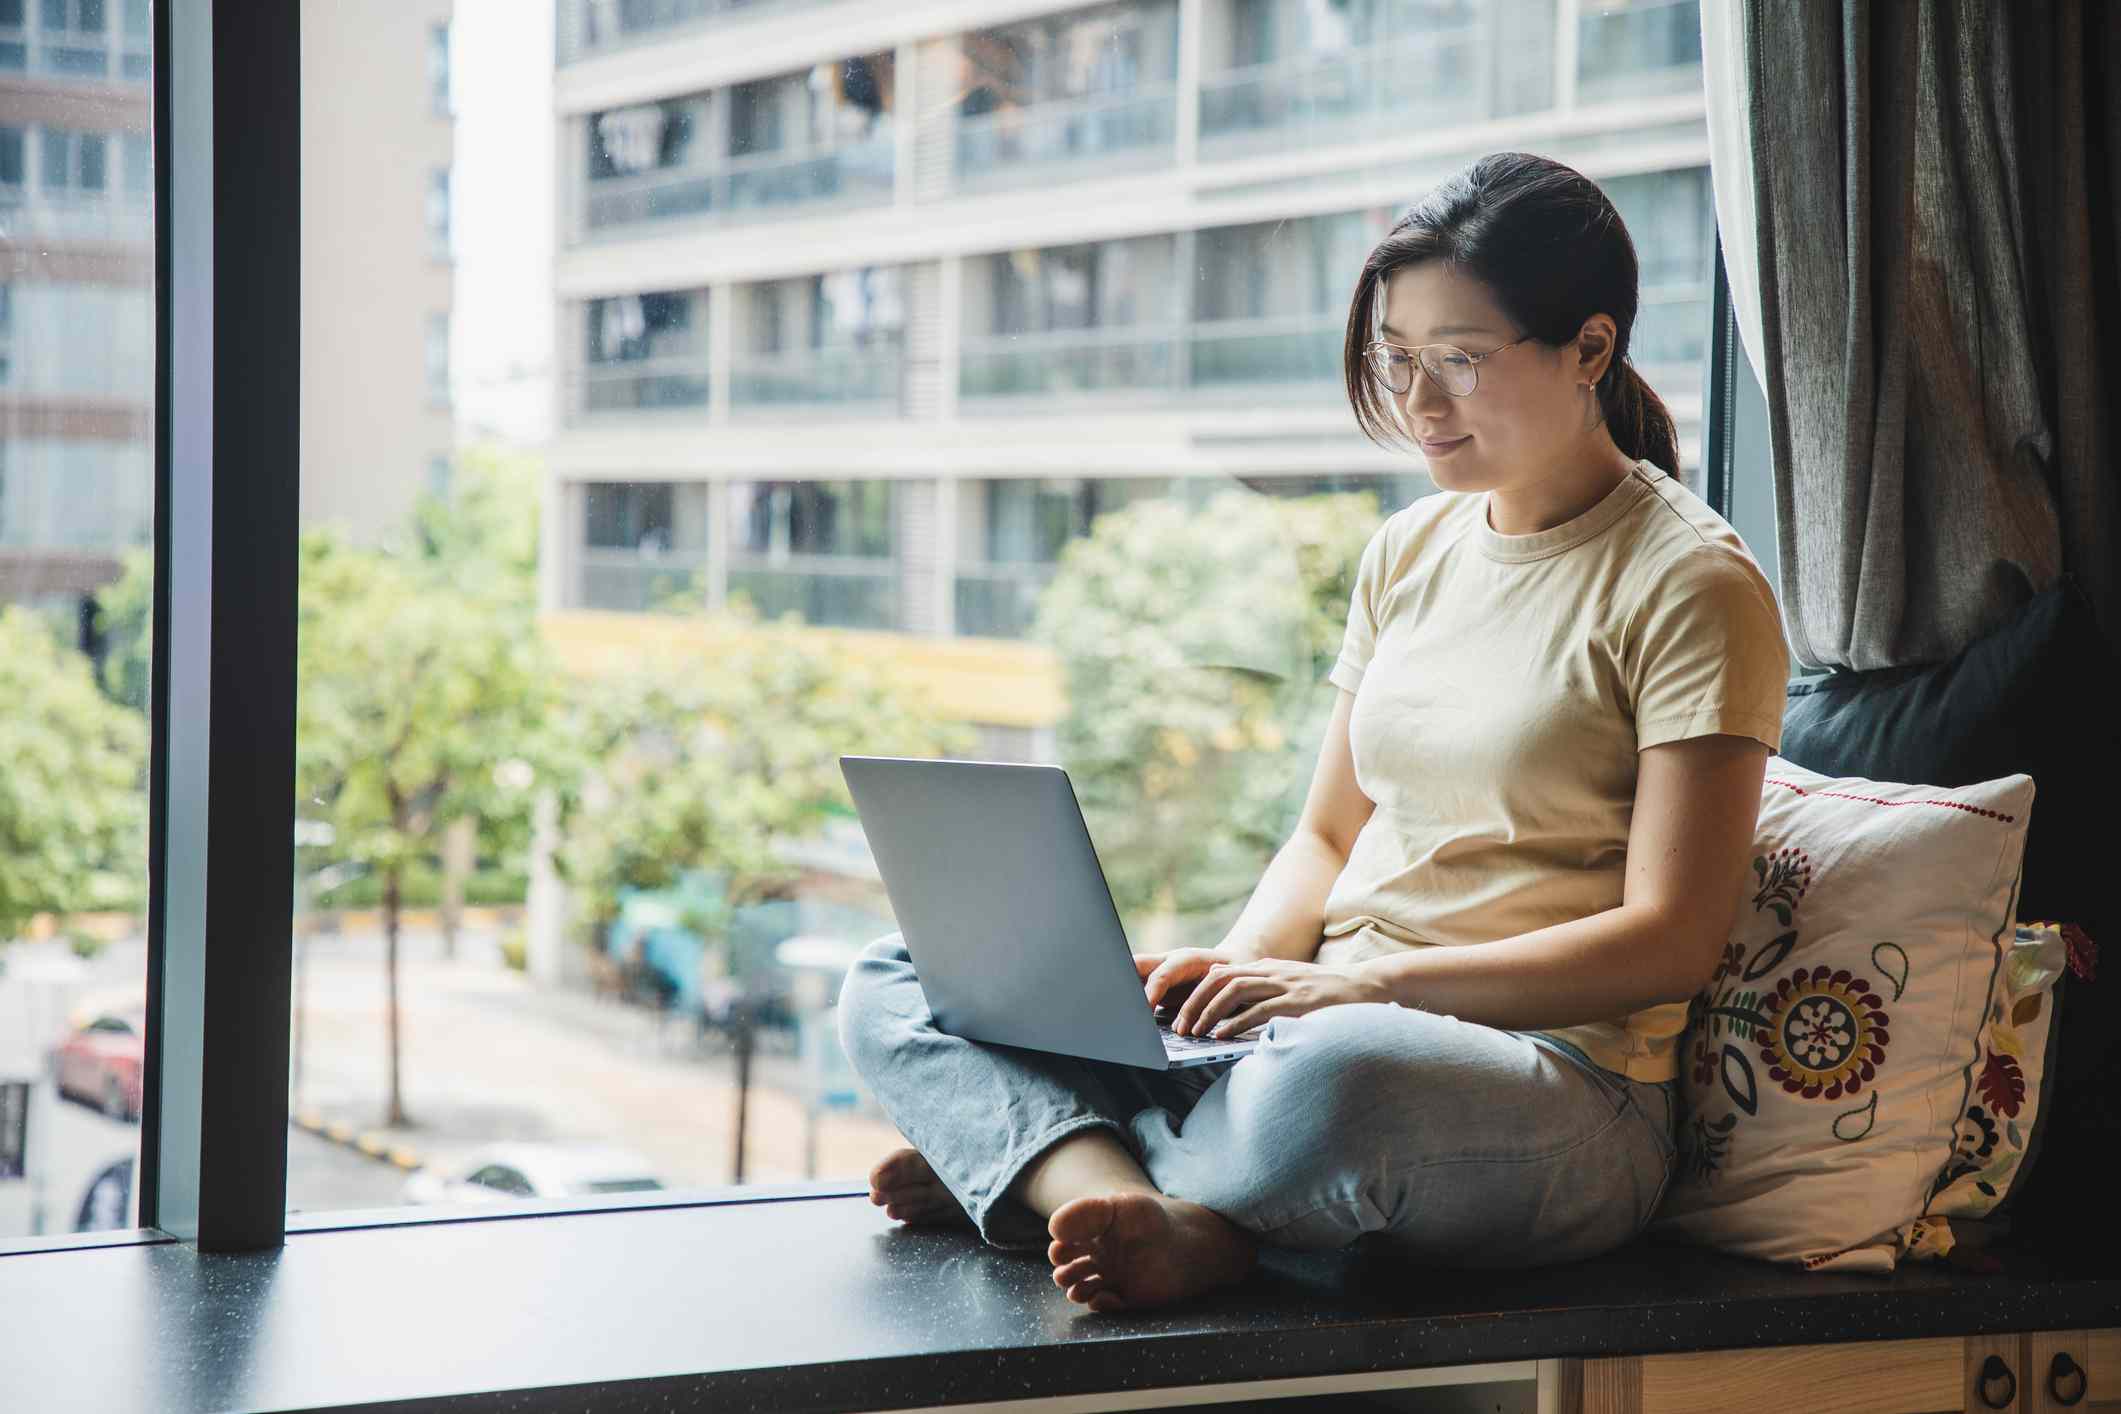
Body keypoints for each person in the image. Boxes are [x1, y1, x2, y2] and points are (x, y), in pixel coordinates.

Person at [837, 152, 1790, 1314]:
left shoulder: (1692, 583)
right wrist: (1224, 981)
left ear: (1590, 347)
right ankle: (1124, 1188)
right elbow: (1325, 837)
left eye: (1460, 360)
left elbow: (1669, 942)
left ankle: (1033, 1157)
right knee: (898, 976)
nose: (1419, 403)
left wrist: (1369, 989)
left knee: (1335, 1092)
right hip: (1309, 1020)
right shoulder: (1410, 552)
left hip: (1552, 1088)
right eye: (1399, 359)